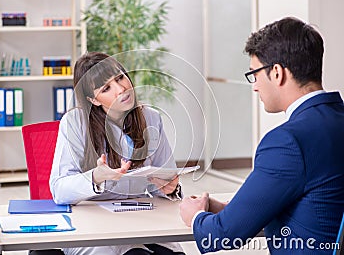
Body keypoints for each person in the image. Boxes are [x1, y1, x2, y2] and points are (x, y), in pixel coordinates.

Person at [179, 17, 344, 254]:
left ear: (277, 73)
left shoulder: (288, 142)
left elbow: (222, 235)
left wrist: (194, 216)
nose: (255, 86)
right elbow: (317, 201)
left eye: (254, 74)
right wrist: (229, 208)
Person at [49, 51, 185, 255]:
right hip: (94, 227)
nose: (121, 89)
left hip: (140, 221)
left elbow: (164, 178)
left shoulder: (151, 118)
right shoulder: (75, 123)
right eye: (106, 88)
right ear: (93, 100)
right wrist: (95, 177)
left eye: (120, 77)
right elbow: (59, 190)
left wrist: (170, 188)